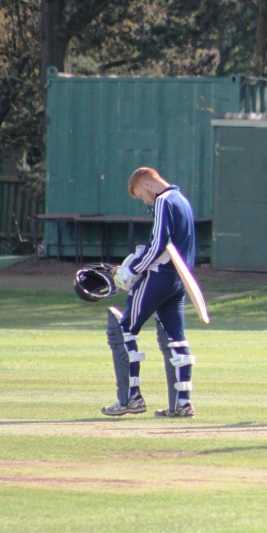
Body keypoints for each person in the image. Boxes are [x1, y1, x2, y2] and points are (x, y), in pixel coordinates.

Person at [100, 167, 197, 418]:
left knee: (125, 330)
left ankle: (131, 398)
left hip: (160, 275)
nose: (145, 201)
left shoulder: (163, 200)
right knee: (177, 338)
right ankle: (183, 403)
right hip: (179, 278)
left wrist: (133, 269)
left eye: (141, 195)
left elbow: (158, 243)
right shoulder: (182, 200)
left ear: (147, 185)